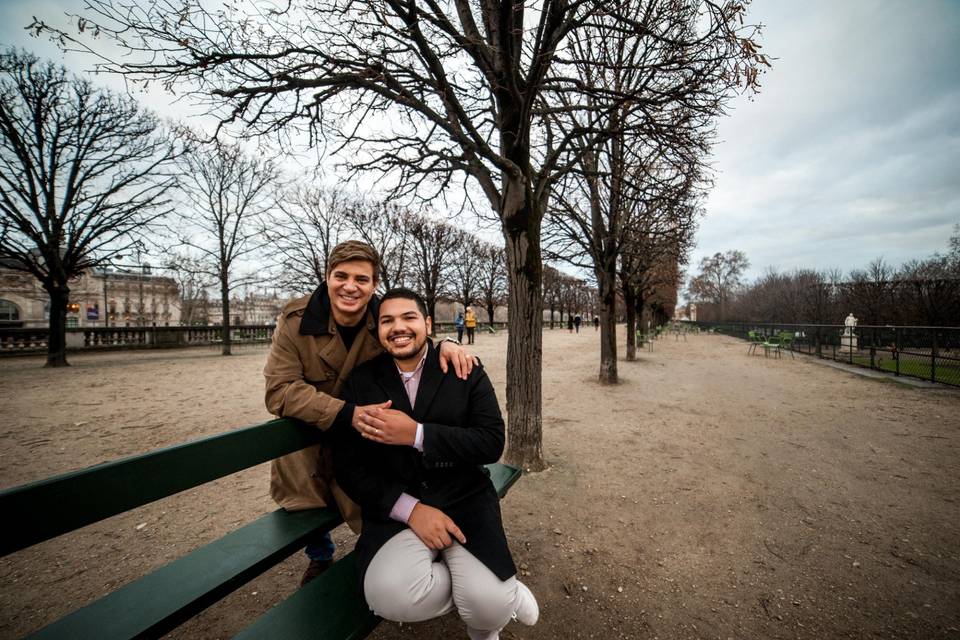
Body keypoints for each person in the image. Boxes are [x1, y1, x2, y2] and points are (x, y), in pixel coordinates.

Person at [329, 288, 539, 640]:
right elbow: (348, 466)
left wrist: (418, 434)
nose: (399, 327)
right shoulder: (360, 382)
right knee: (387, 596)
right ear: (378, 331)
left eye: (409, 317)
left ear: (427, 323)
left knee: (489, 608)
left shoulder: (464, 368)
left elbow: (491, 441)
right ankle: (490, 591)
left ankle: (494, 607)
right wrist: (409, 510)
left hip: (465, 500)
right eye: (387, 321)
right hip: (399, 507)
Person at [263, 240, 476, 586]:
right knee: (308, 502)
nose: (350, 286)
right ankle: (320, 558)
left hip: (365, 440)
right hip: (309, 439)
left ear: (374, 283)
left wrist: (444, 345)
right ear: (327, 277)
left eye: (361, 279)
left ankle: (389, 563)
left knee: (373, 508)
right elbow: (278, 391)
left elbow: (413, 336)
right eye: (341, 276)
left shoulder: (385, 316)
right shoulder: (294, 320)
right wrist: (347, 413)